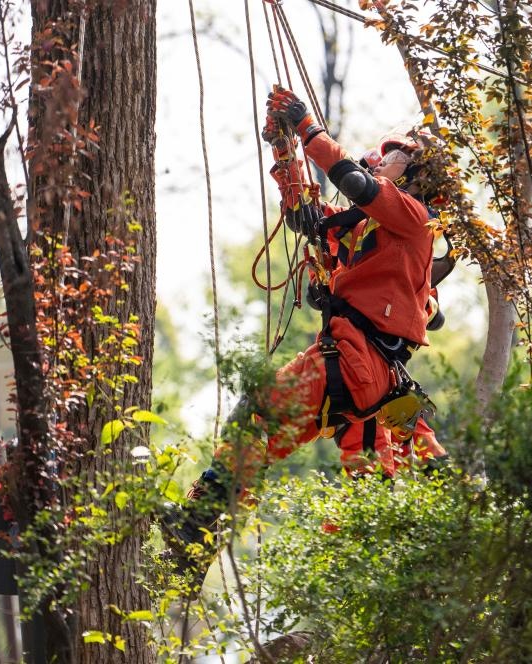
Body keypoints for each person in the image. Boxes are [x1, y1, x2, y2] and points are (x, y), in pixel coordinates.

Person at [159, 86, 444, 587]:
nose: (384, 159)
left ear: (417, 174)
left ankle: (197, 529)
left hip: (356, 362)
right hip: (357, 369)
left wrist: (307, 126)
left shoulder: (414, 219)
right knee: (277, 441)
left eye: (395, 155)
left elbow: (354, 181)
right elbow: (306, 217)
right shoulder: (367, 229)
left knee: (258, 417)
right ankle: (195, 549)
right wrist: (283, 149)